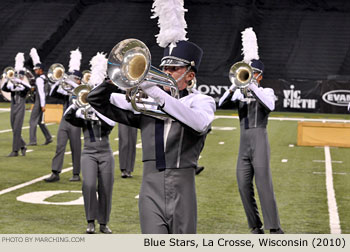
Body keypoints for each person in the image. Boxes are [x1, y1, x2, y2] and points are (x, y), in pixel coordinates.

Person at [87, 39, 216, 234]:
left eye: (173, 69)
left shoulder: (200, 101)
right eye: (163, 68)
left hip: (182, 184)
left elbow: (199, 123)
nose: (165, 73)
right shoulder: (147, 104)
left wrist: (155, 92)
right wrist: (116, 80)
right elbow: (96, 99)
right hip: (149, 185)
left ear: (190, 75)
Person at [219, 58, 283, 234]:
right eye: (248, 72)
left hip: (259, 138)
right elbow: (221, 103)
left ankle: (275, 227)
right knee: (242, 184)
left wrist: (252, 87)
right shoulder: (239, 93)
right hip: (244, 142)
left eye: (253, 73)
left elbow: (270, 106)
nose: (250, 76)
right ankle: (255, 225)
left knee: (263, 184)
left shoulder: (265, 91)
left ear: (259, 76)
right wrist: (234, 85)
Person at [65, 52, 115, 234]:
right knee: (88, 185)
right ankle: (90, 221)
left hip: (105, 151)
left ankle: (104, 223)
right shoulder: (82, 109)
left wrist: (97, 111)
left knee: (106, 187)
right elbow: (67, 116)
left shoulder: (107, 108)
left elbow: (111, 123)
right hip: (89, 152)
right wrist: (78, 104)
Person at [44, 48, 82, 182]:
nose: (72, 80)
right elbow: (52, 93)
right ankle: (55, 172)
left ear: (79, 80)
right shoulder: (67, 91)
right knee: (60, 146)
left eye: (75, 79)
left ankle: (76, 173)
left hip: (76, 122)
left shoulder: (81, 91)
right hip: (64, 121)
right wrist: (59, 80)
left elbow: (78, 93)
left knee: (75, 148)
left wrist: (71, 83)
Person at [1, 53, 30, 157]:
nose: (19, 77)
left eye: (20, 76)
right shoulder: (12, 83)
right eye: (18, 75)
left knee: (17, 128)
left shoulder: (24, 85)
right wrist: (8, 79)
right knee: (14, 127)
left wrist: (18, 82)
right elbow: (4, 89)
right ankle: (22, 145)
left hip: (20, 106)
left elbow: (26, 89)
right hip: (13, 106)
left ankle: (15, 151)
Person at [28, 48, 52, 146]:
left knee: (32, 121)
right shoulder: (45, 78)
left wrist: (42, 105)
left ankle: (33, 141)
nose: (35, 71)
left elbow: (41, 93)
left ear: (40, 70)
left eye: (36, 69)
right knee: (39, 121)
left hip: (39, 101)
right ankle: (48, 137)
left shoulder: (39, 80)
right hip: (43, 100)